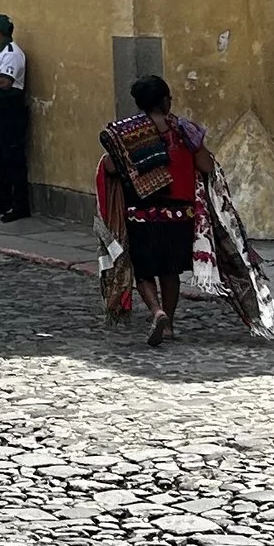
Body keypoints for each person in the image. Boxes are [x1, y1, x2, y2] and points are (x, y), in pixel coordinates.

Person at [96, 76, 202, 347]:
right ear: (165, 100)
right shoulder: (183, 131)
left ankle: (157, 311)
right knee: (170, 271)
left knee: (143, 270)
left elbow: (109, 167)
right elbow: (207, 165)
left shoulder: (128, 134)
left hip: (141, 211)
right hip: (179, 212)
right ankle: (170, 325)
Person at [0, 15, 32, 218]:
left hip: (8, 108)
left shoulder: (12, 53)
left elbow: (5, 83)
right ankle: (1, 200)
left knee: (12, 156)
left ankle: (19, 204)